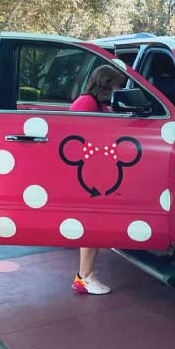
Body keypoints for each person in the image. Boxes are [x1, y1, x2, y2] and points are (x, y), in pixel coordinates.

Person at [69, 64, 127, 295]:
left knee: (94, 226)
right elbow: (80, 138)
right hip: (88, 175)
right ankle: (85, 276)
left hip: (95, 174)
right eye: (118, 86)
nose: (120, 90)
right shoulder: (87, 104)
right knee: (91, 226)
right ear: (107, 84)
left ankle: (85, 275)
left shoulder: (97, 104)